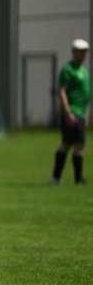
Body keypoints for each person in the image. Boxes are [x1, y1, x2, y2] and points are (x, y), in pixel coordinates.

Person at [51, 38, 91, 186]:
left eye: (85, 52)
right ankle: (76, 178)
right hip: (72, 113)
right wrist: (68, 113)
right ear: (74, 52)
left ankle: (58, 177)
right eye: (80, 52)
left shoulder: (83, 70)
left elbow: (84, 95)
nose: (83, 55)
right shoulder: (68, 70)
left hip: (79, 113)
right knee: (76, 144)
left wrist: (85, 114)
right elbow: (62, 92)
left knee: (70, 144)